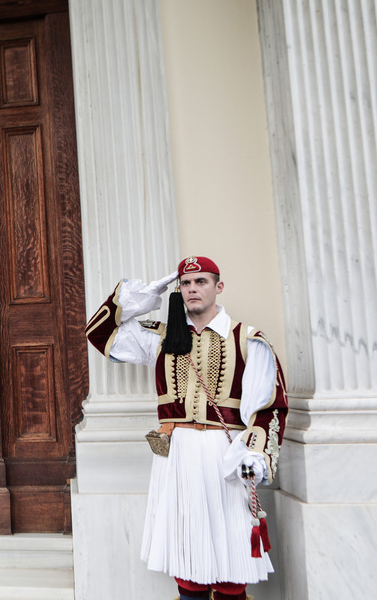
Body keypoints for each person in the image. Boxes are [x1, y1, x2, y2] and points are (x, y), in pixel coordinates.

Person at [86, 256, 287, 600]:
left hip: (225, 455)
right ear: (178, 291)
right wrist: (138, 298)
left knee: (230, 555)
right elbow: (99, 333)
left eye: (202, 282)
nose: (193, 289)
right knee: (186, 552)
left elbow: (271, 406)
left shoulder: (247, 339)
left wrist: (256, 453)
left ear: (218, 287)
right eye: (186, 284)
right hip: (176, 454)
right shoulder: (164, 338)